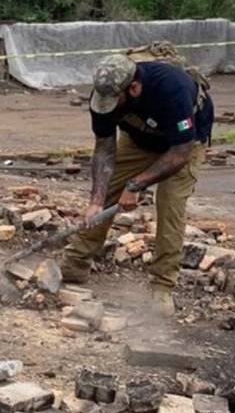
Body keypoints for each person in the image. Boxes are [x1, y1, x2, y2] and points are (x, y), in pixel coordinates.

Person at [60, 51, 214, 314]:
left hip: (183, 144)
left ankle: (162, 286)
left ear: (134, 88)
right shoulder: (103, 97)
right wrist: (96, 201)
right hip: (139, 139)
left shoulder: (171, 89)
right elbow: (104, 150)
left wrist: (135, 186)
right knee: (107, 190)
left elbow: (179, 153)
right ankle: (74, 264)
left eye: (115, 101)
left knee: (169, 204)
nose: (108, 106)